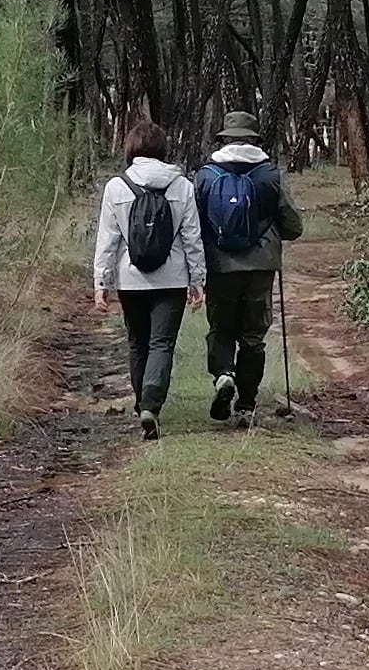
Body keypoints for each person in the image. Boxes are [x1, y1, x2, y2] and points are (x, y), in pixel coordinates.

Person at [90, 122, 203, 438]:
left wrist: (102, 283)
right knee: (162, 343)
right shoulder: (182, 186)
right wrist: (198, 279)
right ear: (163, 150)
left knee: (137, 342)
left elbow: (108, 240)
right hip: (172, 279)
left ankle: (142, 403)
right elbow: (192, 237)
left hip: (130, 280)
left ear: (130, 149)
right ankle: (152, 404)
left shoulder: (117, 187)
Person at [195, 111, 304, 426]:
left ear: (225, 138)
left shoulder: (205, 175)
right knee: (253, 336)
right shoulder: (270, 174)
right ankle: (245, 405)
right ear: (255, 138)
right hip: (260, 266)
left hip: (219, 266)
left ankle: (223, 375)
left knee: (221, 328)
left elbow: (195, 222)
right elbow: (293, 226)